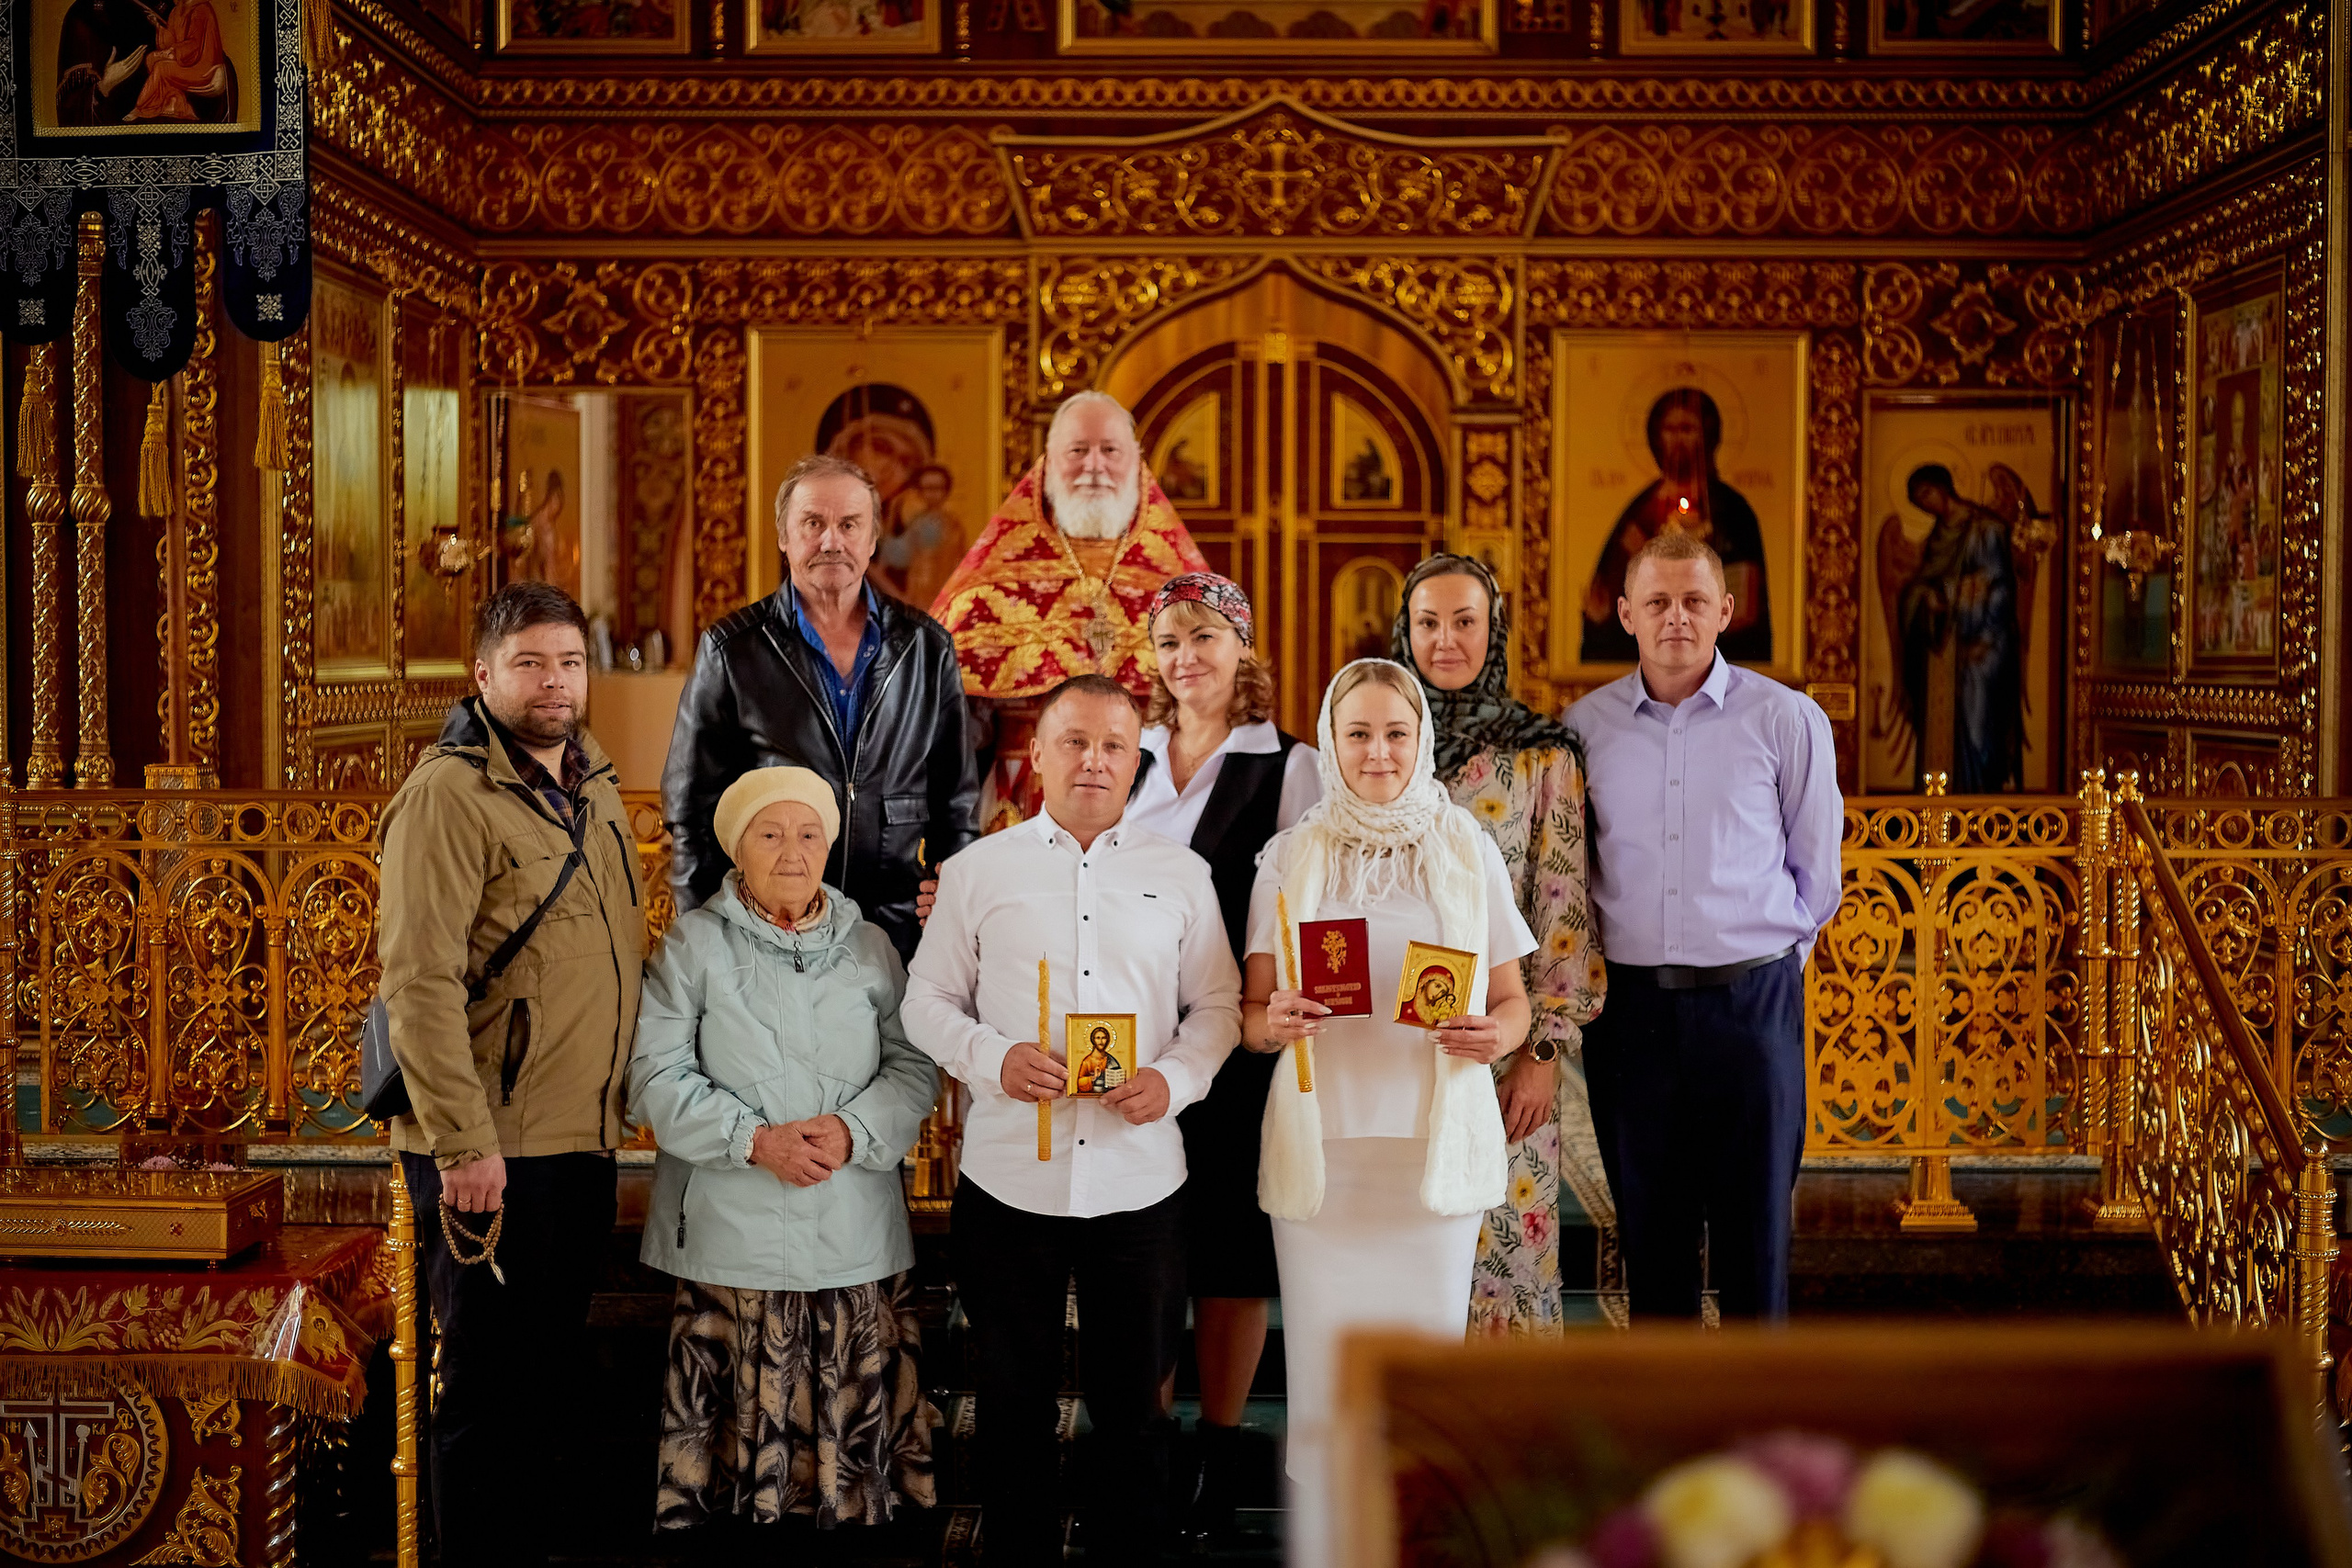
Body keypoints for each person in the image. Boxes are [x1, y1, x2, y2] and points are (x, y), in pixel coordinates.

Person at [903, 673, 1242, 1564]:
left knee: (1134, 1408)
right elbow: (924, 1000)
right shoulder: (980, 871)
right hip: (1012, 1181)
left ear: (1138, 761)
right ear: (1036, 755)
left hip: (1139, 1186)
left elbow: (1218, 1007)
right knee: (1012, 1403)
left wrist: (1173, 1080)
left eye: (1114, 746)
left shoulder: (1181, 875)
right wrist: (991, 1059)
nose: (1094, 760)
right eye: (1074, 741)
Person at [379, 582, 649, 1568]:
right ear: (484, 673)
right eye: (530, 663)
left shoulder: (594, 782)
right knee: (486, 1395)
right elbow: (418, 983)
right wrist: (462, 1143)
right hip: (491, 1152)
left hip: (578, 1139)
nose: (554, 681)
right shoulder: (448, 795)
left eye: (569, 662)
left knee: (545, 1383)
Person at [1247, 659, 1535, 1568]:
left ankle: (1415, 1545)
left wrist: (1494, 1037)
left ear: (1422, 743)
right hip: (1326, 1153)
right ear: (1331, 740)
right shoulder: (1291, 852)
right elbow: (1251, 1015)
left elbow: (1513, 1000)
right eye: (1358, 733)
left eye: (1395, 733)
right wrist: (1275, 1020)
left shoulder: (1463, 846)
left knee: (1420, 1374)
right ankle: (1330, 1548)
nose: (1377, 751)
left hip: (1428, 1160)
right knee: (1329, 1373)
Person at [629, 766, 940, 1551]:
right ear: (738, 848)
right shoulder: (693, 943)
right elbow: (655, 1076)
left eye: (808, 834)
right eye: (770, 833)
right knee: (736, 1505)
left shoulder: (871, 946)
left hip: (852, 1236)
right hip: (735, 1251)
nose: (792, 851)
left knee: (854, 1498)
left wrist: (850, 1129)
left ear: (829, 846)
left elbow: (913, 1066)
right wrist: (753, 1139)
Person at [1567, 530, 1840, 1322]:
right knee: (1653, 1245)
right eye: (1657, 602)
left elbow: (1817, 873)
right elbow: (1574, 867)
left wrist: (1766, 964)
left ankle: (1760, 1434)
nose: (1675, 618)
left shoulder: (1787, 719)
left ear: (1726, 609)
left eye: (1693, 601)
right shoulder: (1585, 729)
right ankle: (1672, 1434)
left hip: (1749, 1008)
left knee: (1756, 1242)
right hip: (1633, 1016)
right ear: (1625, 613)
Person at [1126, 571, 1319, 1542]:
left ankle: (1221, 1446)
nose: (1183, 658)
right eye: (1167, 640)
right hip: (1137, 1040)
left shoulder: (1289, 765)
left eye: (1203, 637)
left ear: (1242, 648)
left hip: (1240, 1038)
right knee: (1150, 1247)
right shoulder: (1132, 755)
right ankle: (1150, 1447)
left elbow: (1301, 896)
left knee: (1230, 1254)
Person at [1394, 554, 1609, 1334]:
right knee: (1402, 1256)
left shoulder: (1540, 754)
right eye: (1427, 622)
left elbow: (1561, 909)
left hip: (1500, 1047)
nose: (1445, 640)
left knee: (1501, 1256)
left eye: (1464, 621)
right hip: (1390, 1053)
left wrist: (1543, 1057)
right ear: (1403, 631)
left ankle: (1504, 1443)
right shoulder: (1378, 744)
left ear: (1495, 630)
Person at [662, 453, 978, 960]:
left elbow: (957, 810)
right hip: (768, 937)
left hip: (897, 938)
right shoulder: (732, 651)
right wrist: (705, 944)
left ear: (873, 539)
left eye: (849, 524)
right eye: (813, 523)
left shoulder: (927, 649)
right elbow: (691, 815)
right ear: (784, 537)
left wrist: (957, 917)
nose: (832, 540)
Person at [929, 389, 1210, 830]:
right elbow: (949, 725)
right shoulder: (990, 580)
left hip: (1150, 800)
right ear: (1048, 461)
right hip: (1022, 798)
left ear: (1136, 461)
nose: (1093, 466)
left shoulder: (1180, 585)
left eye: (1109, 451)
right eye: (1077, 450)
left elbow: (1217, 708)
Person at [1581, 387, 1773, 665]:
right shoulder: (1639, 512)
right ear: (1656, 436)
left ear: (1707, 436)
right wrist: (1601, 617)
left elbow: (1745, 607)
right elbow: (1609, 597)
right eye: (1670, 429)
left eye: (1687, 429)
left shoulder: (1731, 511)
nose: (1678, 439)